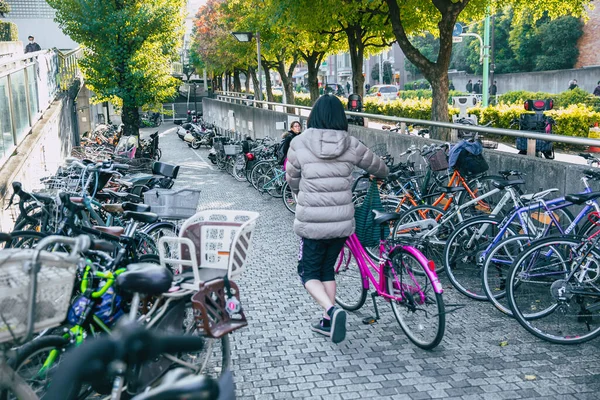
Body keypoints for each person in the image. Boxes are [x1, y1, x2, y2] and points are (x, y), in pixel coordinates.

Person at [285, 95, 389, 344]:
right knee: (327, 269)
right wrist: (380, 174)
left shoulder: (299, 143)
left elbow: (292, 177)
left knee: (308, 273)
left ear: (314, 116)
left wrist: (300, 194)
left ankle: (332, 310)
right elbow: (379, 167)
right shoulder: (351, 143)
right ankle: (328, 321)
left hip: (312, 222)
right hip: (341, 222)